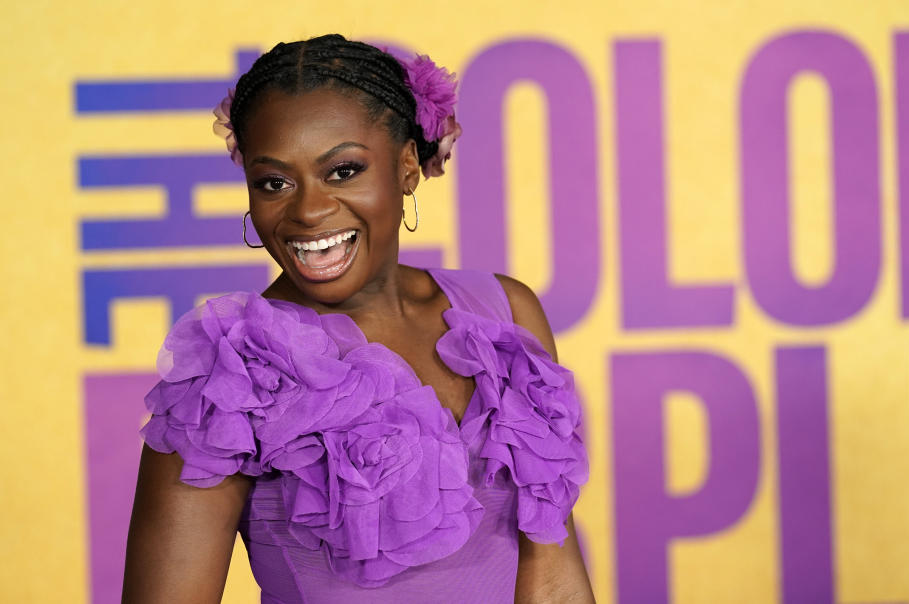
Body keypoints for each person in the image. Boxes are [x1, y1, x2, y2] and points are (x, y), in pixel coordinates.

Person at [122, 34, 593, 604]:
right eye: (275, 182)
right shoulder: (231, 378)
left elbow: (554, 580)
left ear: (408, 167)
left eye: (342, 171)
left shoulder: (504, 318)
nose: (308, 210)